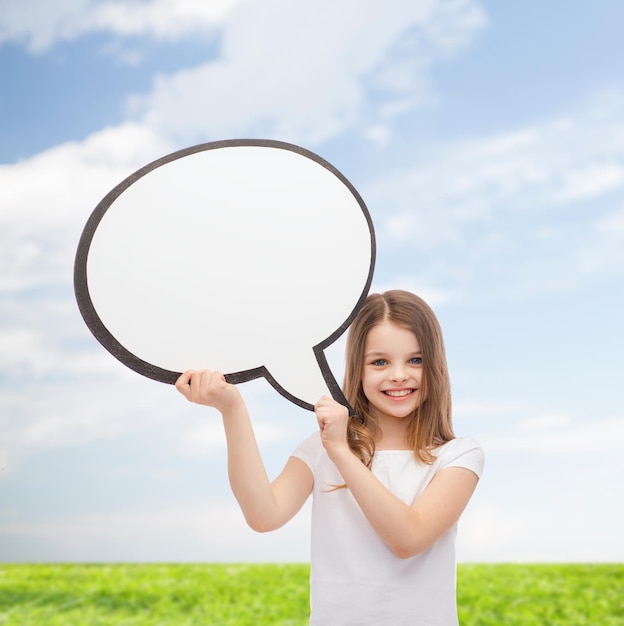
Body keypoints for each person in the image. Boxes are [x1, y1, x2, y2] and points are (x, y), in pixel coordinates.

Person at [175, 290, 484, 625]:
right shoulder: (320, 447)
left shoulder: (458, 456)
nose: (398, 374)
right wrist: (231, 408)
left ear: (435, 366)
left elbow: (408, 539)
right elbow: (264, 515)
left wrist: (341, 451)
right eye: (380, 361)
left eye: (415, 360)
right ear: (358, 368)